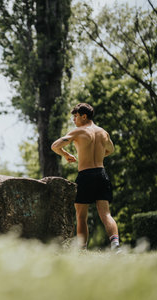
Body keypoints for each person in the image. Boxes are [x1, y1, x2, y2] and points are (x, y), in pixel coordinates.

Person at [51, 103, 120, 252]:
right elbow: (111, 149)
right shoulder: (103, 133)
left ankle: (82, 250)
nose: (74, 120)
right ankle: (116, 246)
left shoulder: (78, 132)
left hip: (85, 175)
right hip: (102, 175)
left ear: (84, 116)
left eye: (75, 117)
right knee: (106, 214)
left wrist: (66, 154)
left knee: (81, 216)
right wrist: (99, 155)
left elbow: (55, 146)